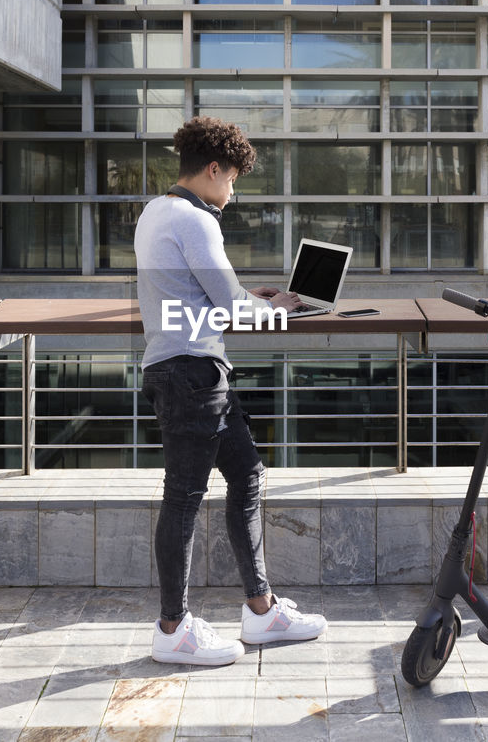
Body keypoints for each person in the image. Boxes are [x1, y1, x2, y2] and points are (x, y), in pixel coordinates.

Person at [135, 115, 328, 665]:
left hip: (187, 372)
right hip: (192, 375)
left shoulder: (156, 210)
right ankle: (173, 628)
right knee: (183, 499)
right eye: (233, 179)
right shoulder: (196, 220)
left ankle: (261, 611)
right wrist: (276, 308)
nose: (233, 191)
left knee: (246, 474)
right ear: (213, 169)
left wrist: (251, 295)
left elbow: (192, 292)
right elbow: (227, 309)